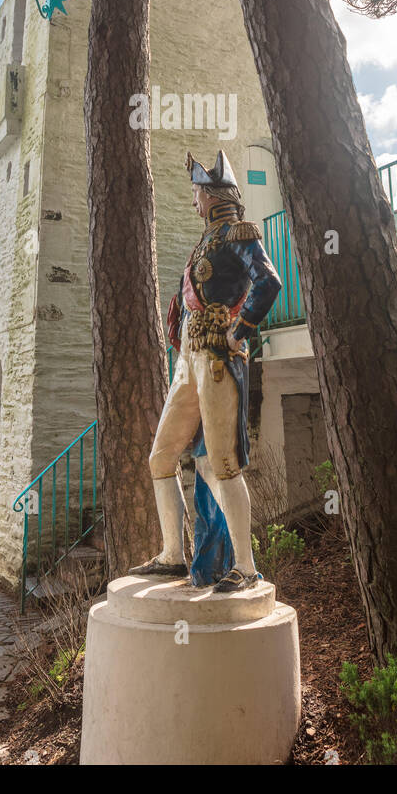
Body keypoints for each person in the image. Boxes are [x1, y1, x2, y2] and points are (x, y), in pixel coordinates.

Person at [131, 150, 282, 593]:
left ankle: (246, 567)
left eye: (197, 192)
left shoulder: (240, 234)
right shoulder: (206, 240)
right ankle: (173, 555)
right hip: (189, 362)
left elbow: (268, 281)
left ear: (213, 194)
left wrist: (240, 331)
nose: (193, 201)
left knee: (222, 465)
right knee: (161, 457)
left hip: (217, 360)